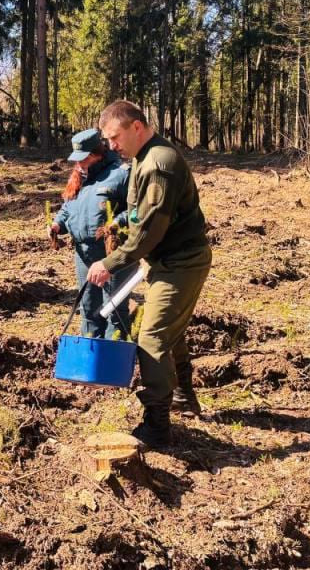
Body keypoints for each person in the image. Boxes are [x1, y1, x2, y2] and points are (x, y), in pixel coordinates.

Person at [86, 101, 210, 448]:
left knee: (152, 340)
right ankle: (184, 395)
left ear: (136, 127)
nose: (111, 145)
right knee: (172, 331)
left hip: (181, 263)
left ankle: (158, 424)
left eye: (115, 137)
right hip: (166, 260)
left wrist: (109, 263)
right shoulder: (141, 156)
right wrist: (123, 222)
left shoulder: (159, 163)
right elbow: (141, 214)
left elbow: (151, 231)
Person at [49, 128, 134, 339]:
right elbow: (69, 206)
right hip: (83, 253)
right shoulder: (80, 175)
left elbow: (138, 209)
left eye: (84, 159)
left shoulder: (121, 173)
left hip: (111, 251)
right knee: (88, 308)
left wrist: (116, 223)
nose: (78, 164)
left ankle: (113, 361)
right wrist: (58, 224)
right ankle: (90, 360)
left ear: (97, 155)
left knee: (113, 308)